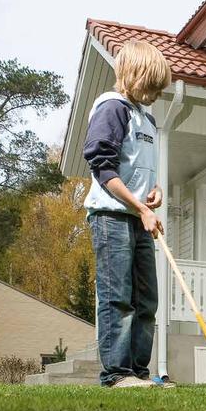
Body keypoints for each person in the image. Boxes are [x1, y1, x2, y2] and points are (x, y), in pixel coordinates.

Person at [82, 40, 171, 388]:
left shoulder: (146, 118)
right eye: (151, 86)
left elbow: (139, 168)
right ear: (133, 76)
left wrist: (155, 191)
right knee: (118, 296)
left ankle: (138, 372)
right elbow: (102, 169)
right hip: (112, 217)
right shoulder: (111, 108)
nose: (155, 94)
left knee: (146, 299)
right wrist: (138, 207)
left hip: (138, 217)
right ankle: (116, 373)